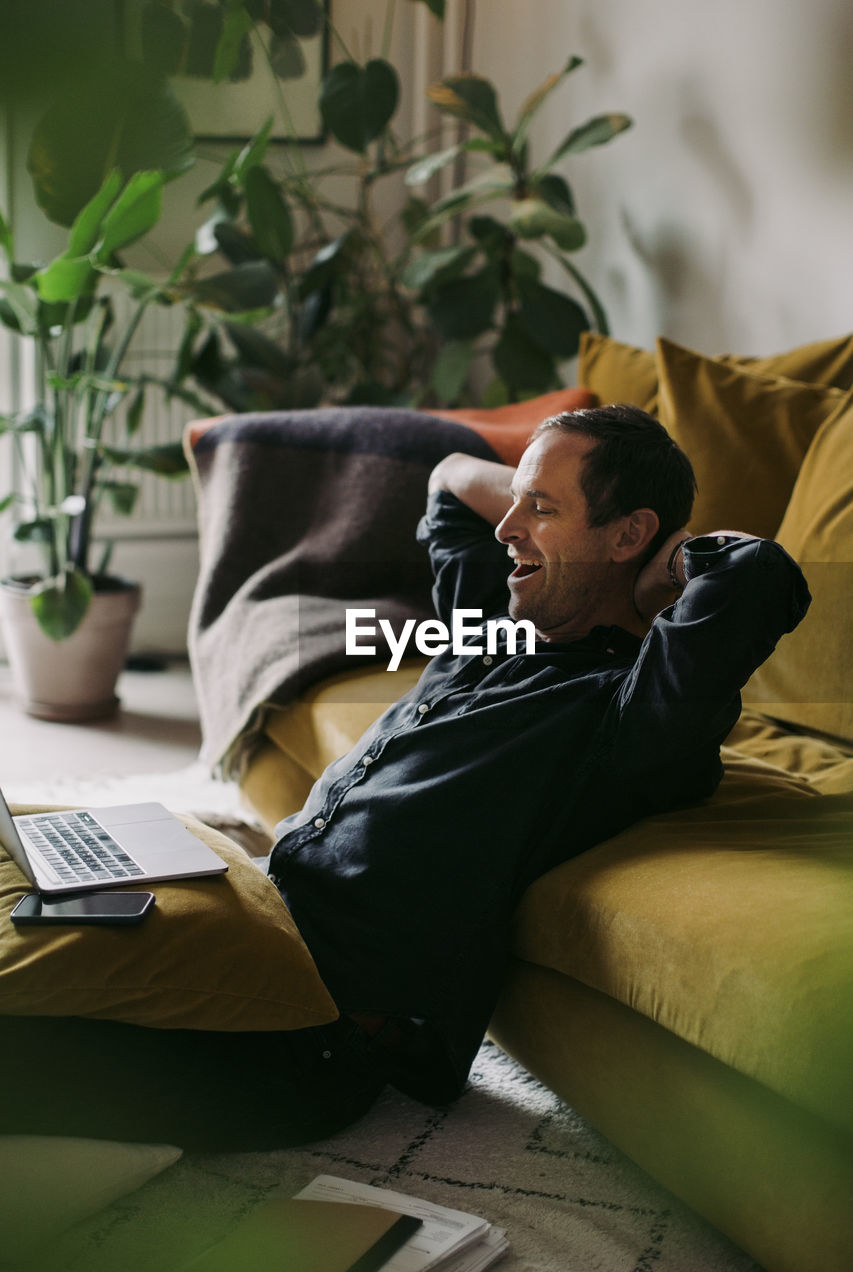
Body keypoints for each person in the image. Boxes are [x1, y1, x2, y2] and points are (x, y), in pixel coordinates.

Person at [1, 405, 810, 1150]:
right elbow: (450, 480)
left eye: (543, 510)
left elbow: (756, 574)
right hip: (244, 926)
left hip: (304, 1040)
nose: (508, 533)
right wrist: (550, 508)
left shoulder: (632, 715)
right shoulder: (494, 628)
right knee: (35, 857)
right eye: (518, 503)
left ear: (628, 534)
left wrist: (661, 562)